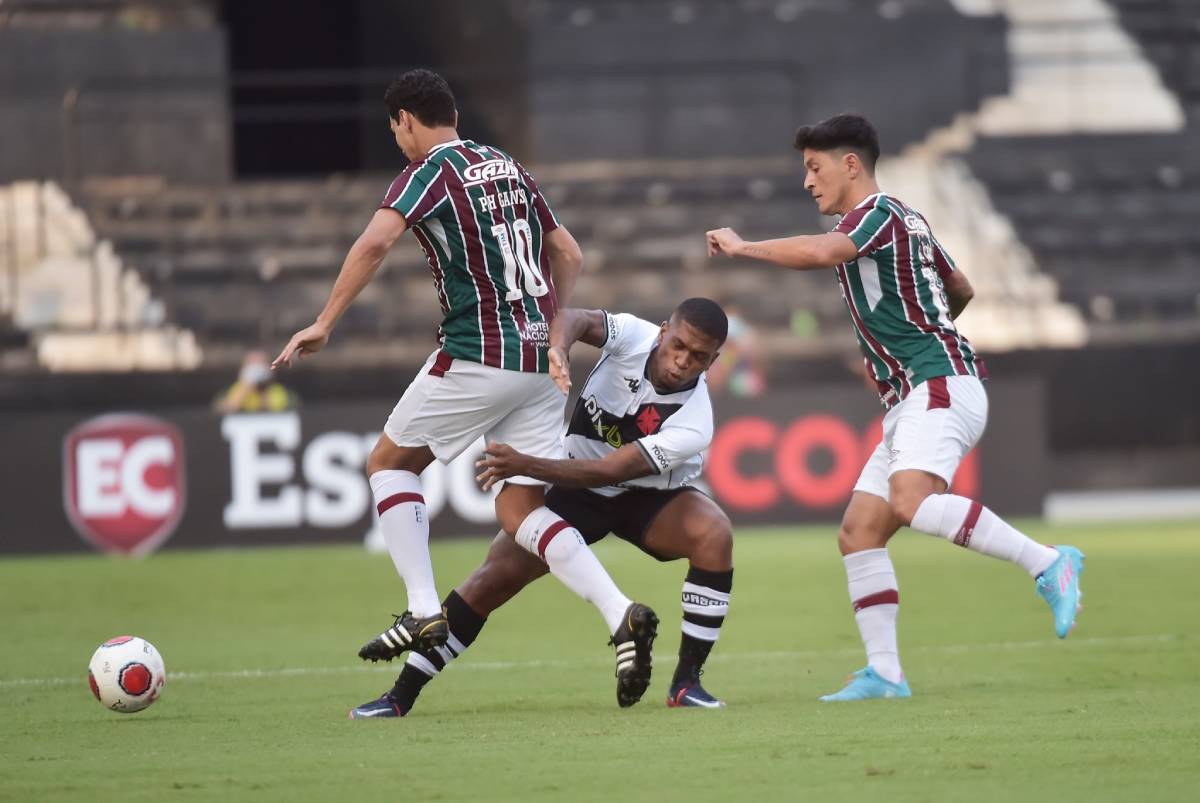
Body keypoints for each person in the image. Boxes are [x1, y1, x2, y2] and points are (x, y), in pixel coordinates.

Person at [271, 69, 655, 717]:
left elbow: (377, 240)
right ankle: (621, 613)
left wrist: (325, 321)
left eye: (396, 129)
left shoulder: (431, 172)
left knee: (389, 464)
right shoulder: (505, 164)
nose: (399, 142)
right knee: (519, 510)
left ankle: (424, 609)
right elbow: (569, 251)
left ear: (408, 121)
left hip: (479, 349)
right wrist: (551, 324)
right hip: (538, 356)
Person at [705, 114, 1084, 702]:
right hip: (919, 388)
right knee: (859, 532)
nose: (807, 182)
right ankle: (885, 673)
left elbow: (823, 250)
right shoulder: (910, 220)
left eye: (814, 167)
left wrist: (742, 246)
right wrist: (912, 334)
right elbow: (958, 288)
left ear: (850, 164)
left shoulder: (876, 214)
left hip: (939, 384)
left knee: (911, 501)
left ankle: (1048, 563)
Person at [362, 299, 735, 715]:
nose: (682, 362)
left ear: (713, 361)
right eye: (678, 346)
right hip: (576, 486)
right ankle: (399, 696)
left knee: (714, 533)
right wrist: (558, 348)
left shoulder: (695, 421)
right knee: (493, 578)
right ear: (664, 331)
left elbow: (611, 470)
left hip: (646, 496)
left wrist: (525, 465)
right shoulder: (633, 336)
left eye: (699, 357)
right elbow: (574, 317)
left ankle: (686, 684)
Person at [214, 350, 297, 413]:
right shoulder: (229, 391)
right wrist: (244, 390)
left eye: (261, 364)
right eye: (252, 364)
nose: (256, 369)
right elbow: (220, 413)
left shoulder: (282, 392)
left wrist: (263, 393)